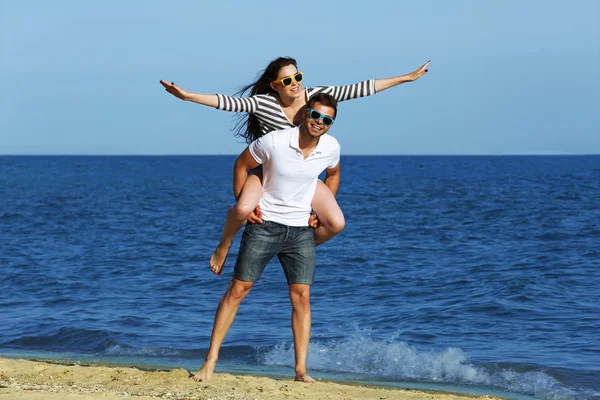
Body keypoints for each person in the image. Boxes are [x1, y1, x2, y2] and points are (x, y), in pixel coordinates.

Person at [159, 57, 430, 274]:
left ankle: (290, 249)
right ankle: (224, 245)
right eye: (287, 80)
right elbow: (228, 103)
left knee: (335, 222)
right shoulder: (263, 103)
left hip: (302, 173)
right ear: (275, 85)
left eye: (297, 76)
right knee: (242, 209)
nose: (295, 83)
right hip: (265, 172)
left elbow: (360, 88)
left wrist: (406, 78)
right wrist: (187, 96)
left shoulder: (314, 99)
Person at [192, 93, 342, 383]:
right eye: (315, 115)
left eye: (326, 120)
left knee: (302, 298)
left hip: (300, 232)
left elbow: (333, 175)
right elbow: (241, 164)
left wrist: (318, 209)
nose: (319, 123)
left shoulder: (331, 148)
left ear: (331, 124)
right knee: (237, 291)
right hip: (265, 225)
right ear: (305, 114)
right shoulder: (274, 142)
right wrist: (244, 203)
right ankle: (210, 361)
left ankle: (300, 371)